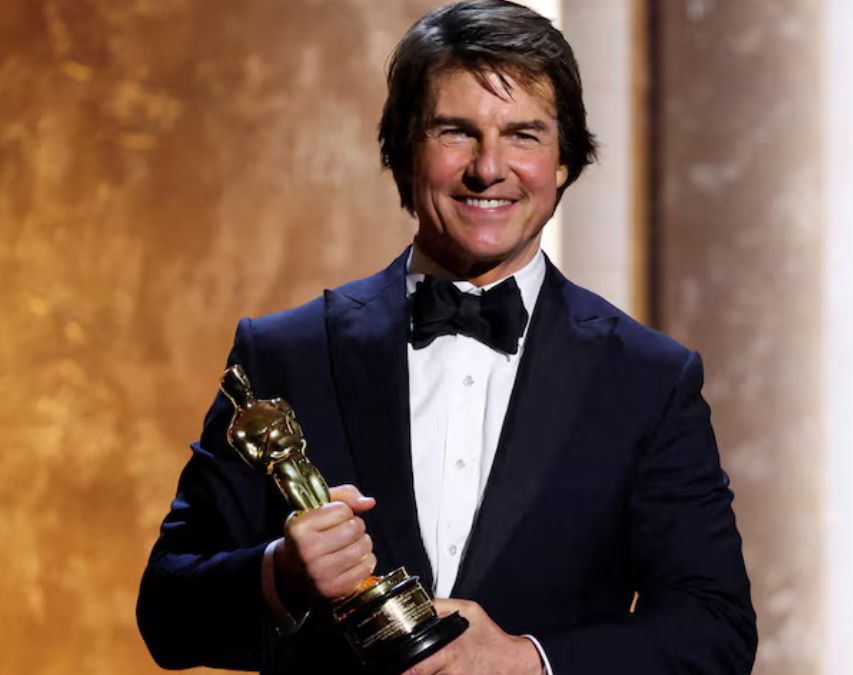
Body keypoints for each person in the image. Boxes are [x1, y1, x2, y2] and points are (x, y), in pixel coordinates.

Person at [136, 1, 756, 673]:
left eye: (524, 135)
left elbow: (715, 631)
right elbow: (165, 614)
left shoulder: (648, 378)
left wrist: (529, 660)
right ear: (404, 150)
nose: (489, 168)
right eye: (456, 132)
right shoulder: (283, 354)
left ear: (565, 162)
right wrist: (276, 573)